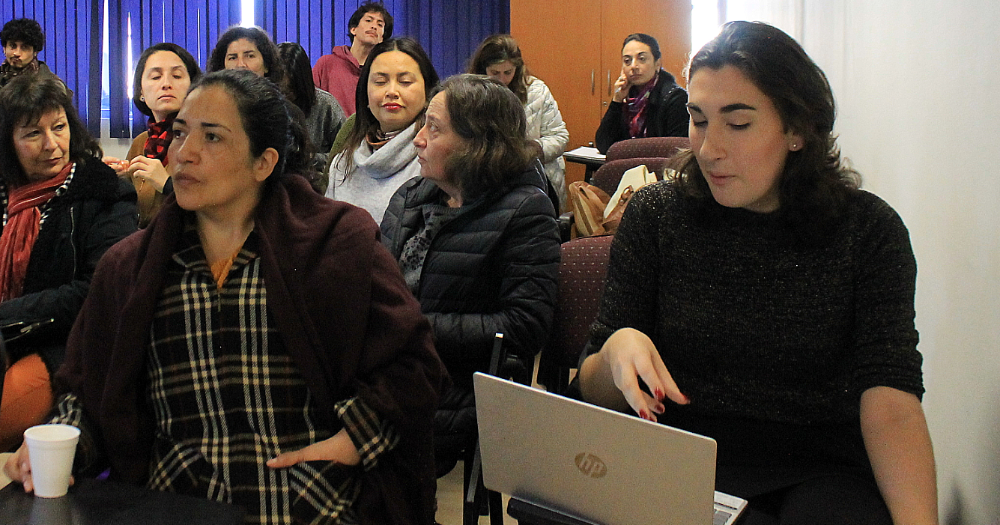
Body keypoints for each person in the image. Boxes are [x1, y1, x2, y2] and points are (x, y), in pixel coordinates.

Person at [3, 69, 448, 524]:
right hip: (176, 504)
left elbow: (413, 366)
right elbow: (88, 389)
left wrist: (356, 438)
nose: (184, 153)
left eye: (212, 137)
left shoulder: (336, 245)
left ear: (264, 162)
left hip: (309, 502)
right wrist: (58, 441)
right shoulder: (130, 268)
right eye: (180, 132)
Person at [578, 21, 937, 525]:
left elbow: (890, 397)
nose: (709, 149)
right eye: (698, 120)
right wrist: (616, 349)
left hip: (822, 465)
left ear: (796, 130)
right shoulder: (658, 216)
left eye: (738, 124)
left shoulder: (867, 231)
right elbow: (591, 383)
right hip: (683, 456)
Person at [381, 74, 560, 479]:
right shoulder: (411, 197)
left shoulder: (526, 211)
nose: (418, 139)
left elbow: (524, 328)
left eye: (435, 128)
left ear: (479, 143)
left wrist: (412, 329)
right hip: (387, 369)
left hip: (454, 386)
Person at [0, 75, 137, 452]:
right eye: (32, 134)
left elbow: (95, 292)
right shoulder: (7, 192)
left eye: (58, 127)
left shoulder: (102, 188)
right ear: (9, 143)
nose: (51, 144)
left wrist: (6, 315)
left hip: (66, 344)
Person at [325, 37, 439, 223]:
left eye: (405, 81)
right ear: (365, 93)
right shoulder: (343, 163)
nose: (392, 91)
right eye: (380, 82)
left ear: (428, 91)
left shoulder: (437, 160)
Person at [103, 43, 201, 227]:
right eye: (155, 77)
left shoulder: (204, 140)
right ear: (141, 91)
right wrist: (114, 178)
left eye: (177, 76)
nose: (166, 84)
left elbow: (215, 208)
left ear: (193, 86)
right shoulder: (142, 142)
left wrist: (167, 184)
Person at [469, 34, 569, 210]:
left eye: (508, 72)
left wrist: (529, 150)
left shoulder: (536, 91)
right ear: (483, 69)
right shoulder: (471, 94)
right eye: (495, 73)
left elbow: (559, 137)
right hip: (488, 183)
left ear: (517, 67)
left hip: (536, 181)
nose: (502, 79)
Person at [594, 32, 688, 154]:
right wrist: (616, 101)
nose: (633, 66)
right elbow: (604, 145)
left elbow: (677, 151)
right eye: (627, 61)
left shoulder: (674, 97)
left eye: (642, 59)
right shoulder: (628, 98)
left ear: (657, 64)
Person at [312, 1, 393, 117]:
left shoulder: (384, 70)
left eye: (380, 25)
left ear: (382, 38)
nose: (374, 26)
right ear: (353, 29)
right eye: (368, 20)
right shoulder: (326, 63)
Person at [278, 41, 346, 176]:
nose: (285, 97)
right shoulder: (264, 104)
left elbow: (347, 155)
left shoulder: (326, 105)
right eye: (279, 90)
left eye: (290, 90)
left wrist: (310, 158)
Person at [208, 26, 286, 89]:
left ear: (266, 65)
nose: (241, 65)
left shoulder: (283, 107)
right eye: (233, 58)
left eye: (250, 56)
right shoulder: (211, 107)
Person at [0, 18, 60, 88]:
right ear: (4, 48)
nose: (17, 53)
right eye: (13, 46)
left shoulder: (50, 85)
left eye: (24, 47)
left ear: (35, 52)